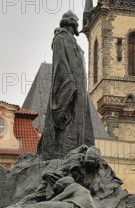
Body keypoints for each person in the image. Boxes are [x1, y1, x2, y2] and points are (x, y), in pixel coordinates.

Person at [38, 12, 94, 160]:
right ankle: (62, 159)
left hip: (80, 93)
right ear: (71, 23)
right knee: (67, 130)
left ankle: (77, 157)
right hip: (70, 89)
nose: (78, 27)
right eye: (76, 22)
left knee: (80, 130)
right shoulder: (60, 39)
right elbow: (60, 65)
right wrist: (69, 88)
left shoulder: (74, 42)